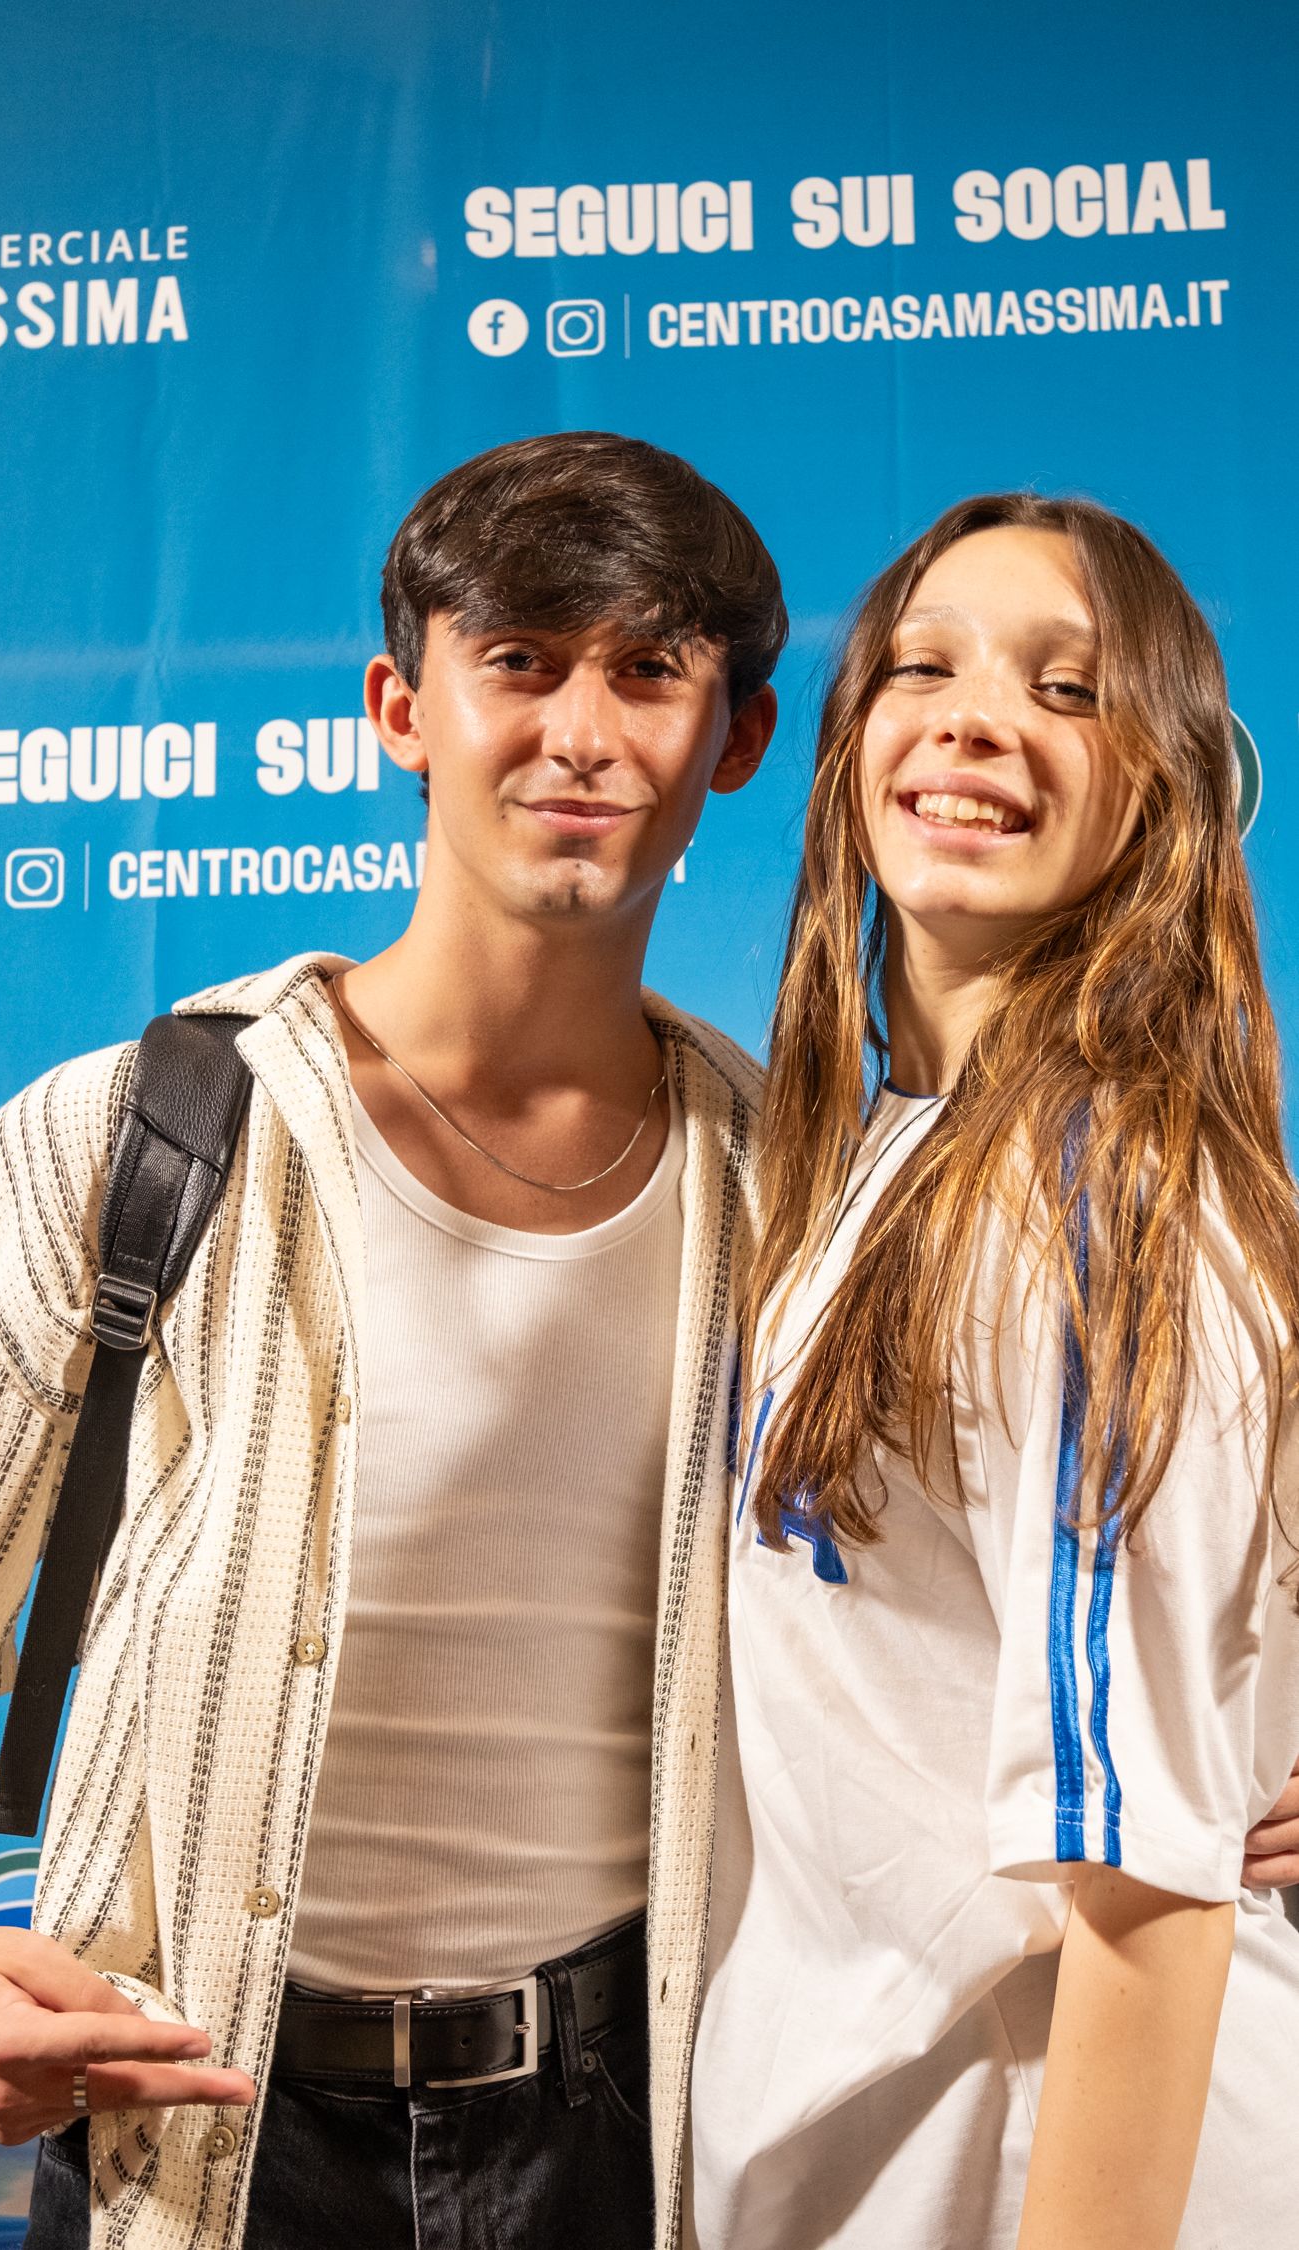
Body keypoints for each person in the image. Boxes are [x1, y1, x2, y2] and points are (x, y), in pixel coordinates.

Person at [0, 431, 784, 2250]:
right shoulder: (133, 1136)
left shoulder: (794, 1189)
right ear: (402, 709)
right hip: (199, 2123)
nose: (580, 732)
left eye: (649, 671)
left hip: (632, 2119)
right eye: (520, 660)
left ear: (734, 741)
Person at [690, 492, 1299, 2249]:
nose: (975, 720)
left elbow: (1146, 1886)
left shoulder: (1101, 1204)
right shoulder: (874, 1151)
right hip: (863, 2157)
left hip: (1051, 2171)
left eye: (1068, 688)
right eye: (924, 668)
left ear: (1165, 789)